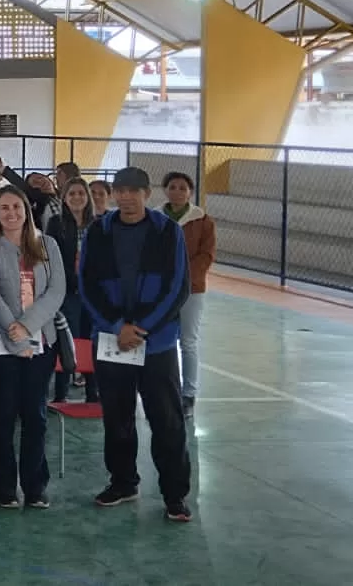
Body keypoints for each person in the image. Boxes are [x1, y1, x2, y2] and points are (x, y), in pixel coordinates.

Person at [81, 167, 192, 522]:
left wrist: (140, 327)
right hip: (112, 341)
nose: (126, 197)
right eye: (120, 190)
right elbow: (86, 285)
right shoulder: (98, 231)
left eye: (134, 191)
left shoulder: (168, 232)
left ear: (147, 194)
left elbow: (178, 288)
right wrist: (116, 326)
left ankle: (175, 494)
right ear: (113, 194)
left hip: (156, 344)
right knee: (117, 419)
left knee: (167, 421)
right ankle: (123, 482)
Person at [0, 185, 66, 510]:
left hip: (41, 343)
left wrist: (28, 326)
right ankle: (4, 488)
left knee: (36, 416)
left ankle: (35, 487)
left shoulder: (48, 244)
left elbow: (57, 290)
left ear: (26, 211)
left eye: (16, 207)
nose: (11, 213)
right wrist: (14, 331)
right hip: (1, 345)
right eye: (4, 208)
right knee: (2, 415)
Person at [162, 172, 213, 416]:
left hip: (192, 289)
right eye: (173, 187)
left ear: (190, 192)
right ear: (165, 191)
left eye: (183, 188)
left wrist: (183, 277)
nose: (178, 191)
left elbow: (206, 255)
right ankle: (163, 389)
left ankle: (189, 394)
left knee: (188, 341)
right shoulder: (156, 218)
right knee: (163, 339)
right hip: (162, 289)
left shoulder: (203, 221)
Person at [45, 179, 97, 403]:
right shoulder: (56, 224)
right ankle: (60, 394)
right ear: (64, 197)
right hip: (68, 293)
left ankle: (92, 393)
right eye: (72, 193)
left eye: (81, 193)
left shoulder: (97, 224)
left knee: (91, 340)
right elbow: (52, 258)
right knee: (68, 340)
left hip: (94, 295)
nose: (77, 197)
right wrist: (74, 281)